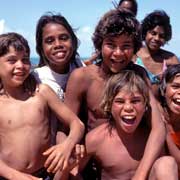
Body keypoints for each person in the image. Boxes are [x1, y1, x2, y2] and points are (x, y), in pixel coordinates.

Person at [65, 9, 165, 179]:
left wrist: (140, 175)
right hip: (93, 164)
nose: (118, 53)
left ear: (134, 48)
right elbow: (64, 126)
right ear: (100, 45)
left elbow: (157, 127)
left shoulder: (138, 74)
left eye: (126, 46)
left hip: (132, 165)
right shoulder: (82, 78)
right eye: (111, 44)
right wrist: (67, 150)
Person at [0, 32, 84, 180]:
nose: (20, 65)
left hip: (46, 174)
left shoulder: (42, 92)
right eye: (12, 60)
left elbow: (77, 124)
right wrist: (13, 175)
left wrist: (67, 146)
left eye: (25, 60)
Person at [78, 70, 178, 180]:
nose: (128, 108)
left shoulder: (152, 137)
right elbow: (73, 173)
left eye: (135, 101)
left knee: (167, 164)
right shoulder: (96, 139)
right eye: (120, 101)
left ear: (145, 105)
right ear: (109, 105)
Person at [33, 12, 85, 101]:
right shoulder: (36, 79)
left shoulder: (78, 65)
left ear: (72, 41)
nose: (57, 44)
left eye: (64, 38)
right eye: (49, 41)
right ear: (41, 47)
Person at [134, 10, 179, 98]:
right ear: (145, 32)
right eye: (153, 33)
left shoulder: (171, 59)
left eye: (161, 36)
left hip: (161, 110)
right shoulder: (134, 55)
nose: (156, 38)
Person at [83, 0, 138, 66]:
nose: (126, 12)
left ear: (135, 13)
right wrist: (91, 60)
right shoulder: (110, 24)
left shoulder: (136, 30)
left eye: (129, 10)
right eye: (123, 9)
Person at [160, 64, 180, 178]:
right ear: (163, 90)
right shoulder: (152, 116)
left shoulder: (160, 124)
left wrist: (165, 133)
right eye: (176, 86)